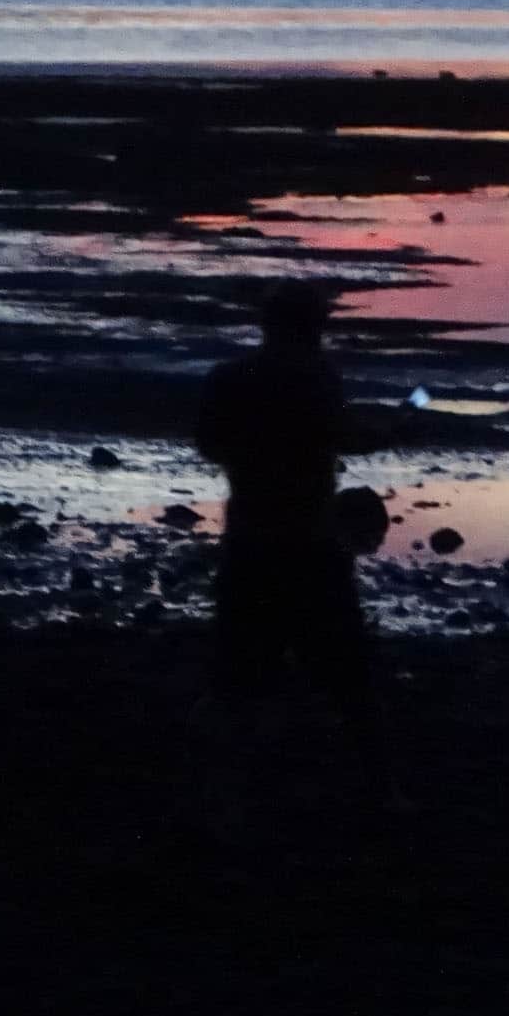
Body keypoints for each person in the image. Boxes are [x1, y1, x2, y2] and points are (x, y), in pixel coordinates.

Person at [194, 289, 386, 798]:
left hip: (249, 538)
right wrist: (391, 433)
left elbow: (208, 443)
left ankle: (231, 792)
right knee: (344, 668)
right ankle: (372, 786)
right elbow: (345, 437)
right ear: (311, 328)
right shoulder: (318, 379)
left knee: (240, 670)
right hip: (310, 542)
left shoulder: (227, 379)